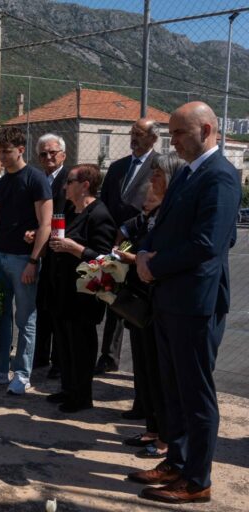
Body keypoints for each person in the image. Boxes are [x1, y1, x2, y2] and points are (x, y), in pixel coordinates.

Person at [129, 102, 241, 504]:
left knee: (195, 392)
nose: (171, 140)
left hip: (195, 302)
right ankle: (176, 462)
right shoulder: (188, 172)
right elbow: (163, 225)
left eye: (178, 132)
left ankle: (197, 480)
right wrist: (143, 254)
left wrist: (155, 267)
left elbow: (210, 243)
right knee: (171, 388)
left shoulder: (221, 178)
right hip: (169, 297)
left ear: (207, 129)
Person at [116, 152, 184, 460]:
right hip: (145, 302)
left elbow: (155, 251)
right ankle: (154, 429)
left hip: (166, 301)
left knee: (163, 375)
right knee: (146, 368)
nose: (151, 181)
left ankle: (167, 440)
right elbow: (128, 244)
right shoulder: (143, 220)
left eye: (156, 176)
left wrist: (137, 257)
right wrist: (133, 253)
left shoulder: (174, 212)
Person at [0, 127, 52, 395]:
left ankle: (22, 373)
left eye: (7, 151)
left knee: (25, 319)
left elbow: (45, 224)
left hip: (23, 259)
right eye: (0, 151)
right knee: (0, 316)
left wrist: (33, 260)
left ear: (21, 149)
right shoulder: (2, 184)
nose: (2, 156)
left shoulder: (35, 179)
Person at [46, 164, 115, 412]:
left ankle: (82, 396)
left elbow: (105, 258)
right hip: (62, 290)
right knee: (64, 343)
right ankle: (68, 388)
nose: (65, 186)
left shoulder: (99, 214)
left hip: (84, 295)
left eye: (70, 182)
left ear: (85, 185)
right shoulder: (69, 210)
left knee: (80, 345)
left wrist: (73, 248)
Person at [96, 118, 160, 378]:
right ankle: (108, 356)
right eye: (132, 132)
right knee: (112, 297)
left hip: (142, 245)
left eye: (140, 133)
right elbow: (106, 202)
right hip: (114, 241)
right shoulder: (118, 167)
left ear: (153, 138)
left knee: (136, 304)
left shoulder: (161, 167)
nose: (134, 137)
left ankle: (144, 368)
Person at [33, 134, 70, 380]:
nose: (48, 157)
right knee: (41, 305)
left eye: (52, 153)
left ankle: (59, 361)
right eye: (43, 154)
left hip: (59, 250)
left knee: (59, 307)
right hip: (37, 249)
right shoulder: (37, 179)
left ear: (63, 155)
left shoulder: (69, 180)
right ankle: (39, 355)